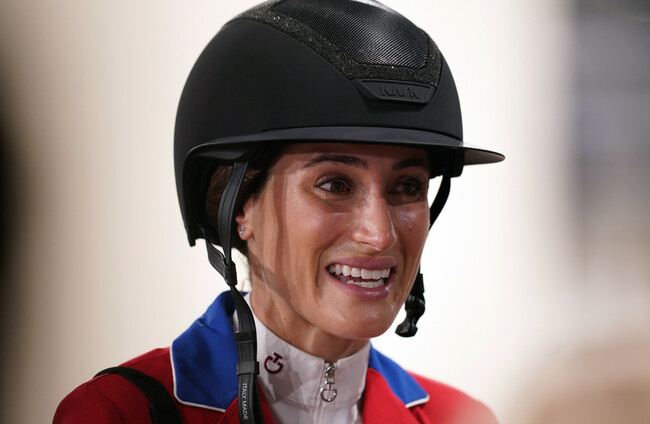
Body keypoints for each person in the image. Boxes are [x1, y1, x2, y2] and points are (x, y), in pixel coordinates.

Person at [54, 1, 504, 423]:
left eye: (407, 187)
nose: (379, 235)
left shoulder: (459, 417)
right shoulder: (121, 412)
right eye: (335, 185)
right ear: (237, 208)